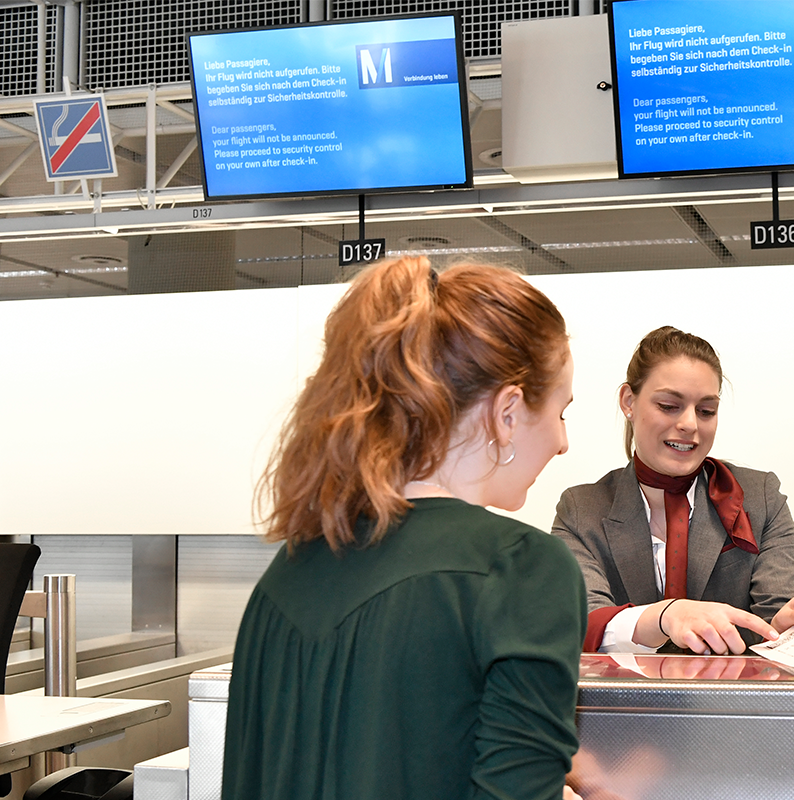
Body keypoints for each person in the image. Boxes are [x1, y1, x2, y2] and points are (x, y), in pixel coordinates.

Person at [222, 257, 586, 800]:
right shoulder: (521, 570)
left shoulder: (289, 573)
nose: (562, 441)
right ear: (508, 412)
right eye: (561, 411)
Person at [552, 325, 794, 655]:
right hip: (627, 704)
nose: (690, 424)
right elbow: (582, 623)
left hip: (730, 704)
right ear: (628, 401)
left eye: (706, 411)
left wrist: (787, 626)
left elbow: (774, 618)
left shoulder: (760, 497)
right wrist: (664, 617)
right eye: (668, 406)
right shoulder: (581, 509)